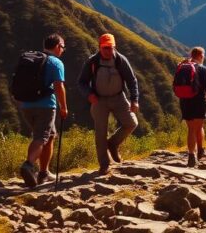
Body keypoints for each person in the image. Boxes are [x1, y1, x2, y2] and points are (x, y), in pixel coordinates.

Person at [77, 33, 139, 175]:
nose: (108, 51)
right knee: (100, 134)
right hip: (99, 100)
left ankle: (113, 143)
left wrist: (134, 99)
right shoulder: (92, 62)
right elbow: (81, 82)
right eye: (105, 48)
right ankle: (104, 165)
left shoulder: (121, 60)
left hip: (119, 98)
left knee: (131, 123)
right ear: (99, 47)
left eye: (110, 48)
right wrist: (88, 94)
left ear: (114, 47)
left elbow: (132, 80)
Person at [19, 34, 68, 187]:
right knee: (41, 137)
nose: (63, 50)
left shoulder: (31, 59)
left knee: (50, 135)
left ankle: (44, 172)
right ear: (58, 46)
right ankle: (28, 165)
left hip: (26, 105)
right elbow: (59, 86)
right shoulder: (55, 62)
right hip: (45, 106)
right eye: (63, 47)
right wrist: (64, 107)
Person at [179, 46, 206, 167]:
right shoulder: (202, 69)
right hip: (198, 101)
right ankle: (200, 151)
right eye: (203, 56)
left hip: (184, 101)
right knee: (199, 127)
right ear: (200, 56)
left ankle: (191, 155)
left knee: (191, 129)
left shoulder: (182, 66)